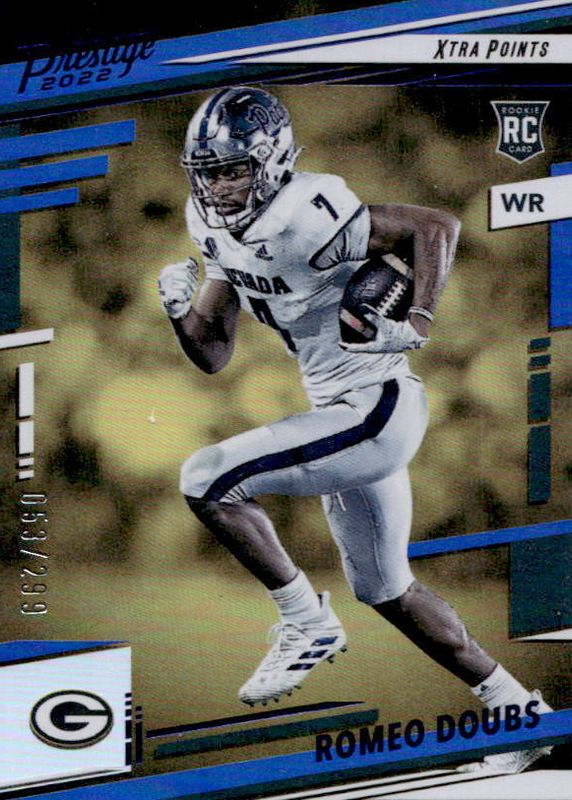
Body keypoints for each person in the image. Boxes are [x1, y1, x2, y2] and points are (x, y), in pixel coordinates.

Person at [158, 86, 552, 774]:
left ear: (272, 161)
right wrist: (177, 313)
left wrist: (419, 319)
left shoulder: (309, 211)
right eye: (209, 173)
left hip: (375, 405)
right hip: (346, 411)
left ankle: (305, 619)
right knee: (386, 590)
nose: (218, 187)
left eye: (233, 169)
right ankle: (520, 714)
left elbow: (435, 226)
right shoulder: (215, 226)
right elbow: (214, 353)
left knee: (206, 477)